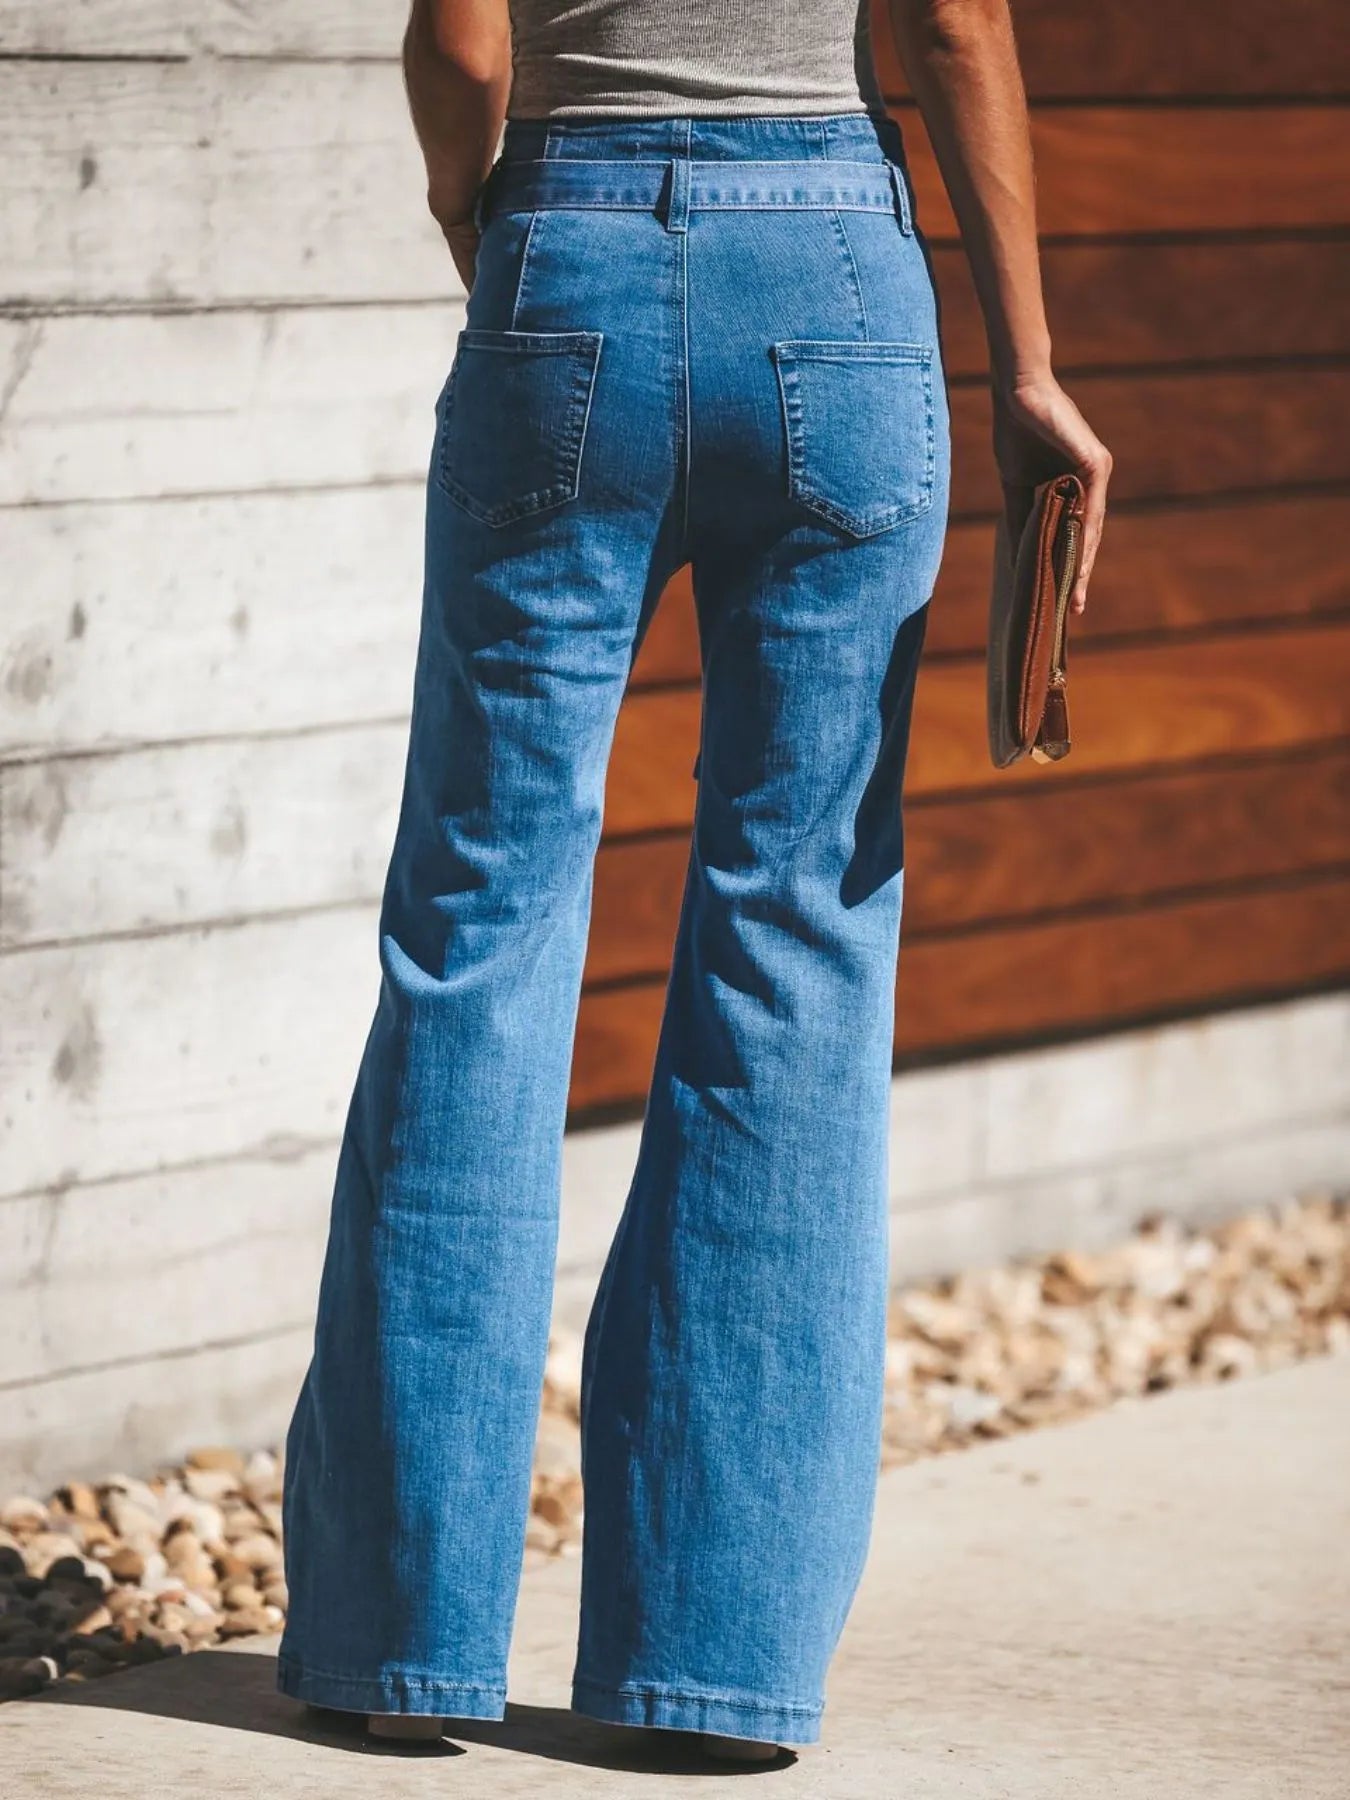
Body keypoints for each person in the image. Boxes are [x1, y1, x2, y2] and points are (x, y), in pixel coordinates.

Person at [276, 0, 1112, 1764]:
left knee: (478, 925)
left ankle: (389, 1645)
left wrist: (478, 212)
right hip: (833, 277)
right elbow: (953, 21)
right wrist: (1027, 367)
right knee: (795, 931)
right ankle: (711, 1666)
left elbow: (463, 42)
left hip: (560, 260)